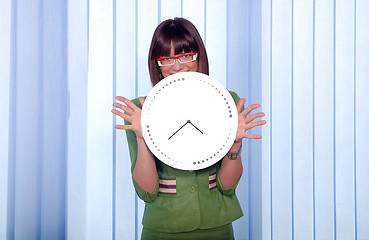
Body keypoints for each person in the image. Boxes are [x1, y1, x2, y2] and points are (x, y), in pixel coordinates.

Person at [111, 17, 266, 240]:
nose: (177, 66)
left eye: (185, 55)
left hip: (218, 226)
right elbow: (147, 191)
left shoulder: (226, 102)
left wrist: (235, 143)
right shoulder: (140, 110)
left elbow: (228, 186)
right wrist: (142, 137)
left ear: (199, 56)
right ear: (156, 64)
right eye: (166, 59)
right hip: (163, 227)